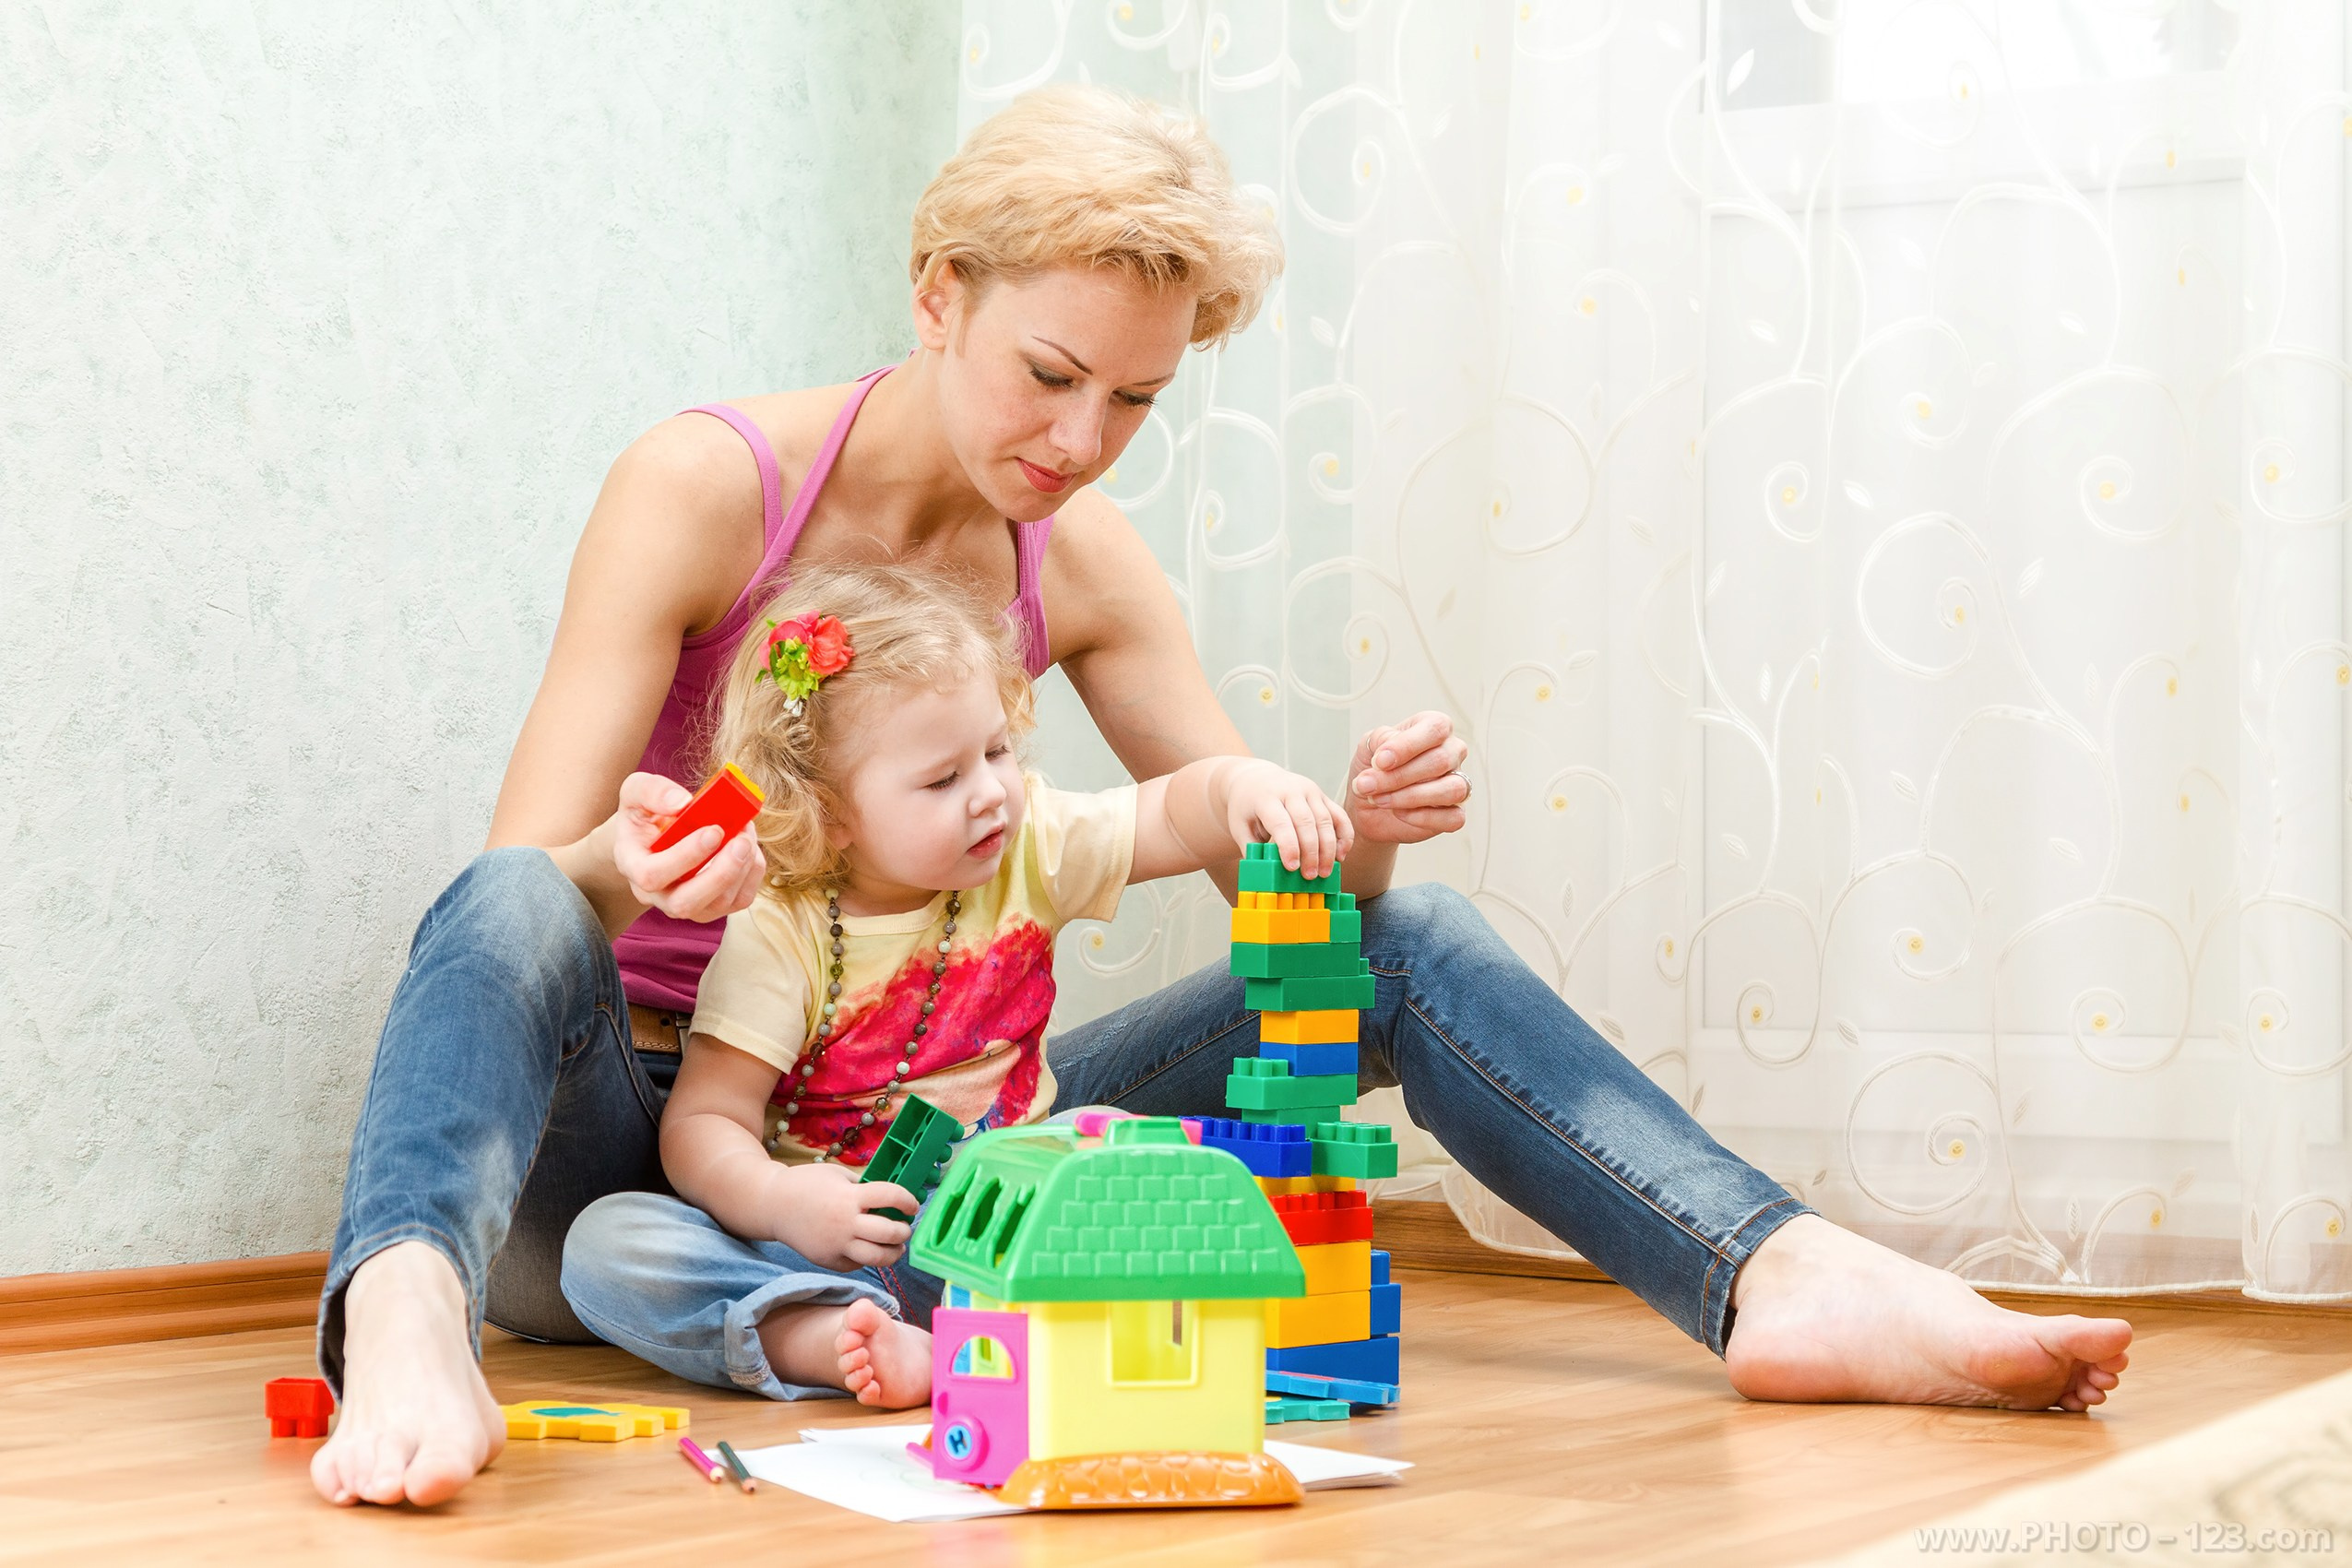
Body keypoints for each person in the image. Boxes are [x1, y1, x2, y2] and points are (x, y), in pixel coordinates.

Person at [310, 83, 2132, 1510]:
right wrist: (626, 865)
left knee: (1395, 946)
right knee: (507, 905)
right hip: (659, 1135)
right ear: (938, 293)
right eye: (1046, 373)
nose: (1078, 442)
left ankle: (1776, 1272)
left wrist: (1369, 822)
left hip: (929, 1129)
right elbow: (520, 911)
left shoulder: (1074, 557)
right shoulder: (708, 490)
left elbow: (1278, 884)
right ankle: (408, 1320)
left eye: (1133, 403)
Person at [556, 562, 1361, 1408]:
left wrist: (1241, 786)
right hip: (837, 1248)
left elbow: (1165, 815)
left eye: (997, 750)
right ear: (829, 812)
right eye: (943, 779)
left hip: (1012, 1225)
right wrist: (781, 1200)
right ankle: (826, 1335)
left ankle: (1003, 1344)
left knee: (1122, 1147)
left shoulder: (1029, 844)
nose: (990, 795)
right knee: (608, 1242)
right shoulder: (782, 928)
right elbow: (706, 1121)